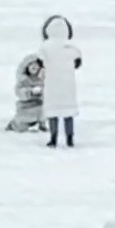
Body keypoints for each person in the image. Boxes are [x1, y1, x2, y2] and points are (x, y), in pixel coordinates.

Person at [37, 15, 82, 149]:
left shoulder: (45, 47)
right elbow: (78, 62)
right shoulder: (71, 47)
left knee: (53, 112)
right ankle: (70, 138)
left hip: (52, 83)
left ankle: (53, 138)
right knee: (68, 112)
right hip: (68, 84)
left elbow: (40, 61)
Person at [6, 54, 44, 133]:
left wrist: (42, 93)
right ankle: (15, 125)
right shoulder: (24, 80)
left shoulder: (43, 79)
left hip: (40, 105)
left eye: (36, 65)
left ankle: (42, 125)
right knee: (22, 123)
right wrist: (30, 92)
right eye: (31, 65)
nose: (34, 67)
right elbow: (18, 91)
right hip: (26, 106)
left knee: (44, 112)